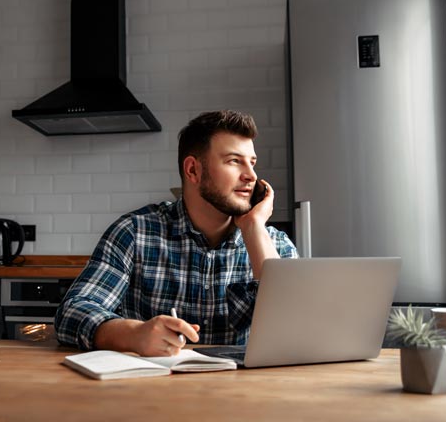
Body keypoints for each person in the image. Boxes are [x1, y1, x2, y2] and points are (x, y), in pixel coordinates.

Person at [54, 110, 299, 356]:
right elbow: (72, 313)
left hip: (244, 391)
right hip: (152, 388)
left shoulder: (275, 243)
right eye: (234, 161)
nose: (251, 176)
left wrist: (254, 228)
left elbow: (297, 330)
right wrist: (134, 335)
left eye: (252, 162)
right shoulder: (134, 232)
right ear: (193, 170)